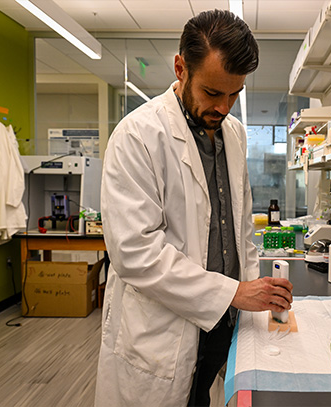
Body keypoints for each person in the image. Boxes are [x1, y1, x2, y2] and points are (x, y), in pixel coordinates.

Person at [94, 9, 293, 407]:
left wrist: (259, 297)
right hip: (161, 334)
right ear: (181, 68)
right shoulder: (138, 136)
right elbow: (135, 253)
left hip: (224, 325)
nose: (224, 107)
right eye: (212, 93)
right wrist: (234, 292)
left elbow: (241, 233)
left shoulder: (233, 135)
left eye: (234, 94)